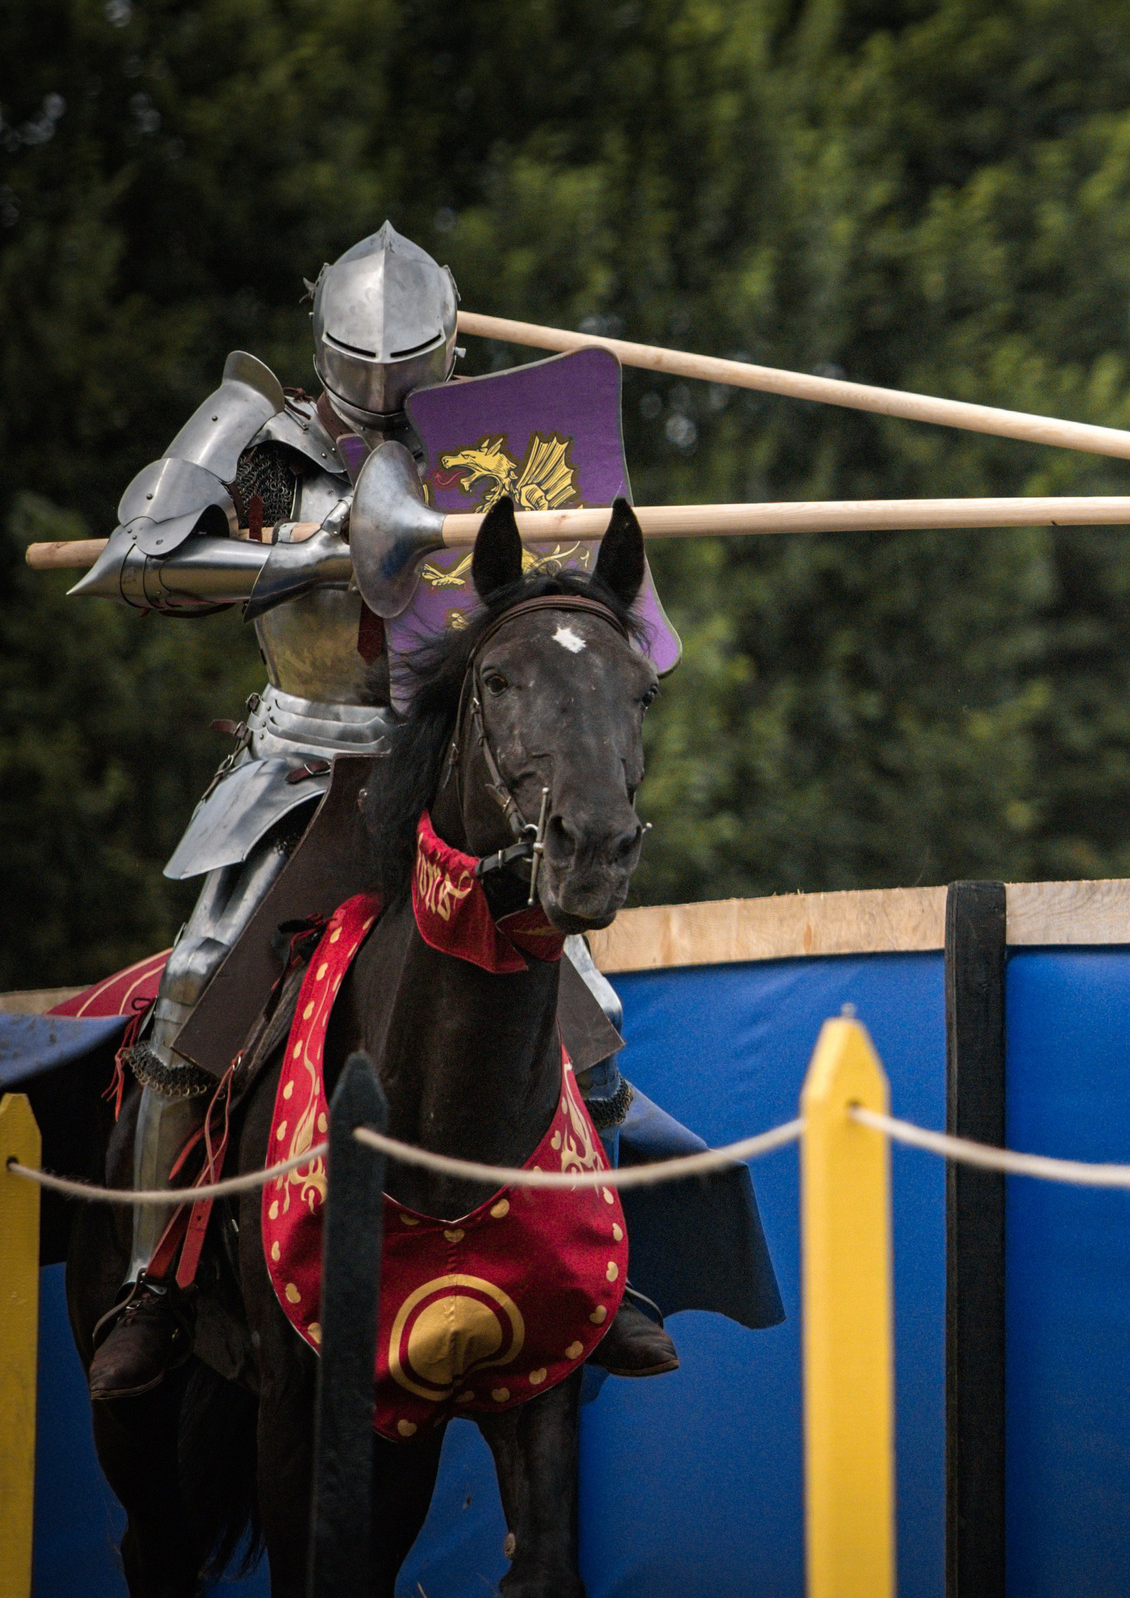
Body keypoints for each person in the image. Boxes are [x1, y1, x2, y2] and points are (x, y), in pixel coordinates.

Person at [76, 225, 701, 1399]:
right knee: (193, 1000)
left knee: (590, 1016)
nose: (380, 397)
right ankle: (155, 1287)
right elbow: (137, 561)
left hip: (455, 775)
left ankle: (605, 1273)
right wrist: (308, 554)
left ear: (447, 353)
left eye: (405, 372)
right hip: (303, 767)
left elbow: (567, 605)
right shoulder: (262, 443)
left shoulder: (498, 457)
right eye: (363, 373)